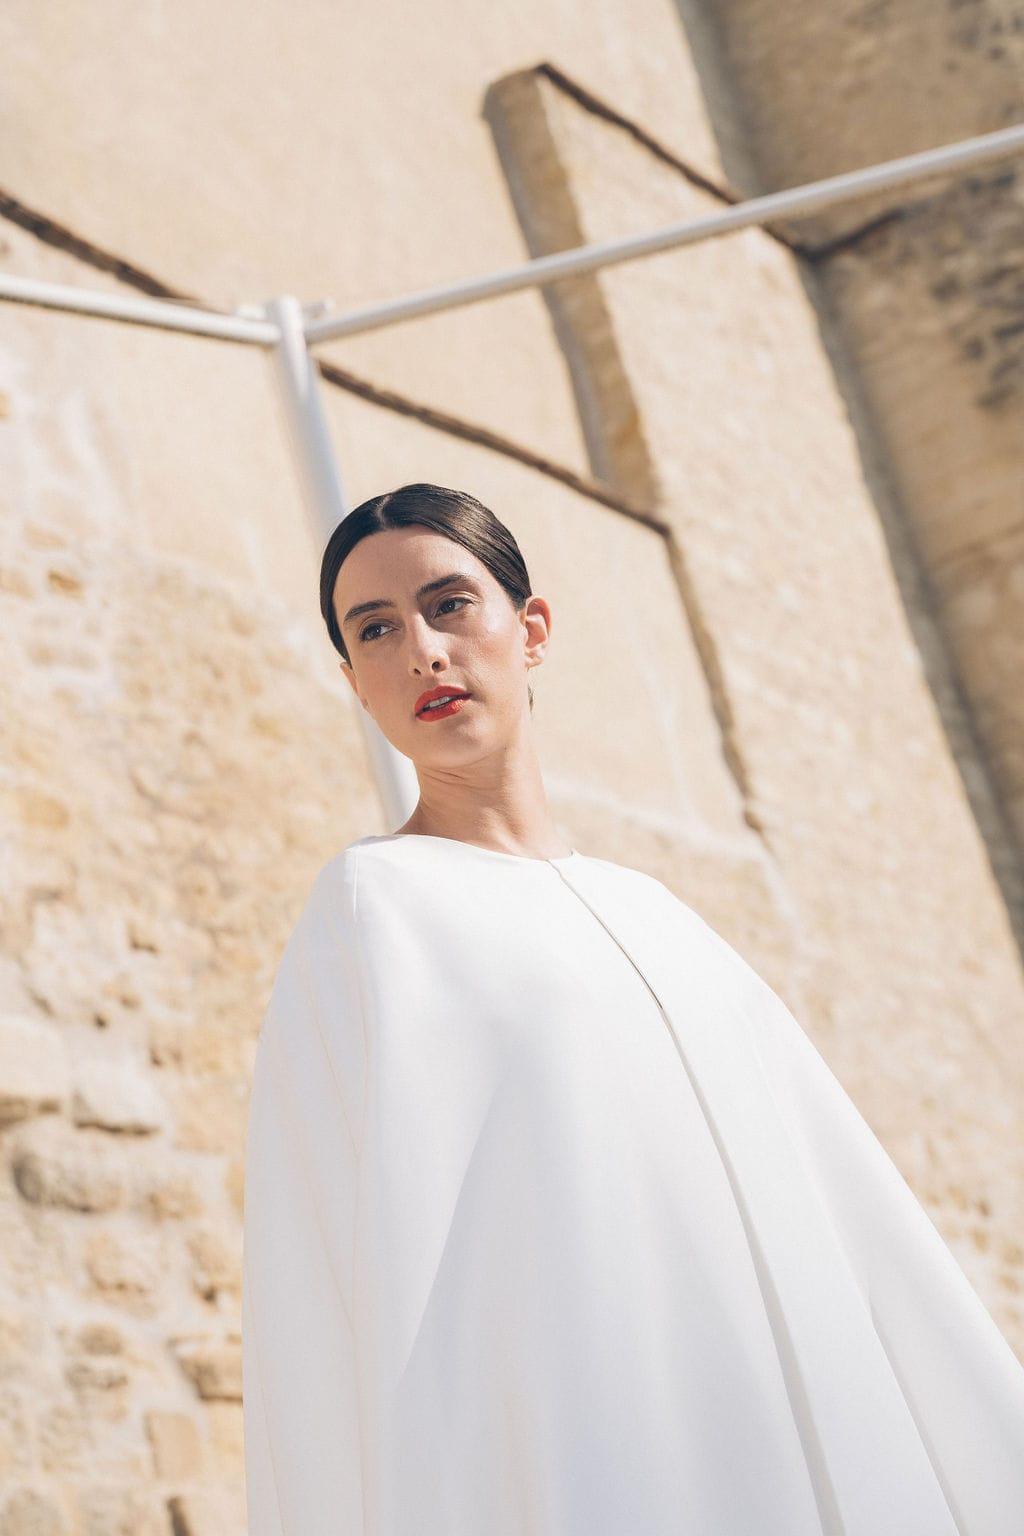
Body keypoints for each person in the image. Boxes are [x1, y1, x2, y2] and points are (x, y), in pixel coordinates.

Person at [241, 482, 1024, 1536]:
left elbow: (848, 1220)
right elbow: (333, 1272)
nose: (421, 650)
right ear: (353, 682)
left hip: (789, 1447)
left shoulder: (662, 920)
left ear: (532, 630)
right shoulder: (371, 910)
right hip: (578, 1468)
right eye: (374, 630)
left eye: (449, 604)